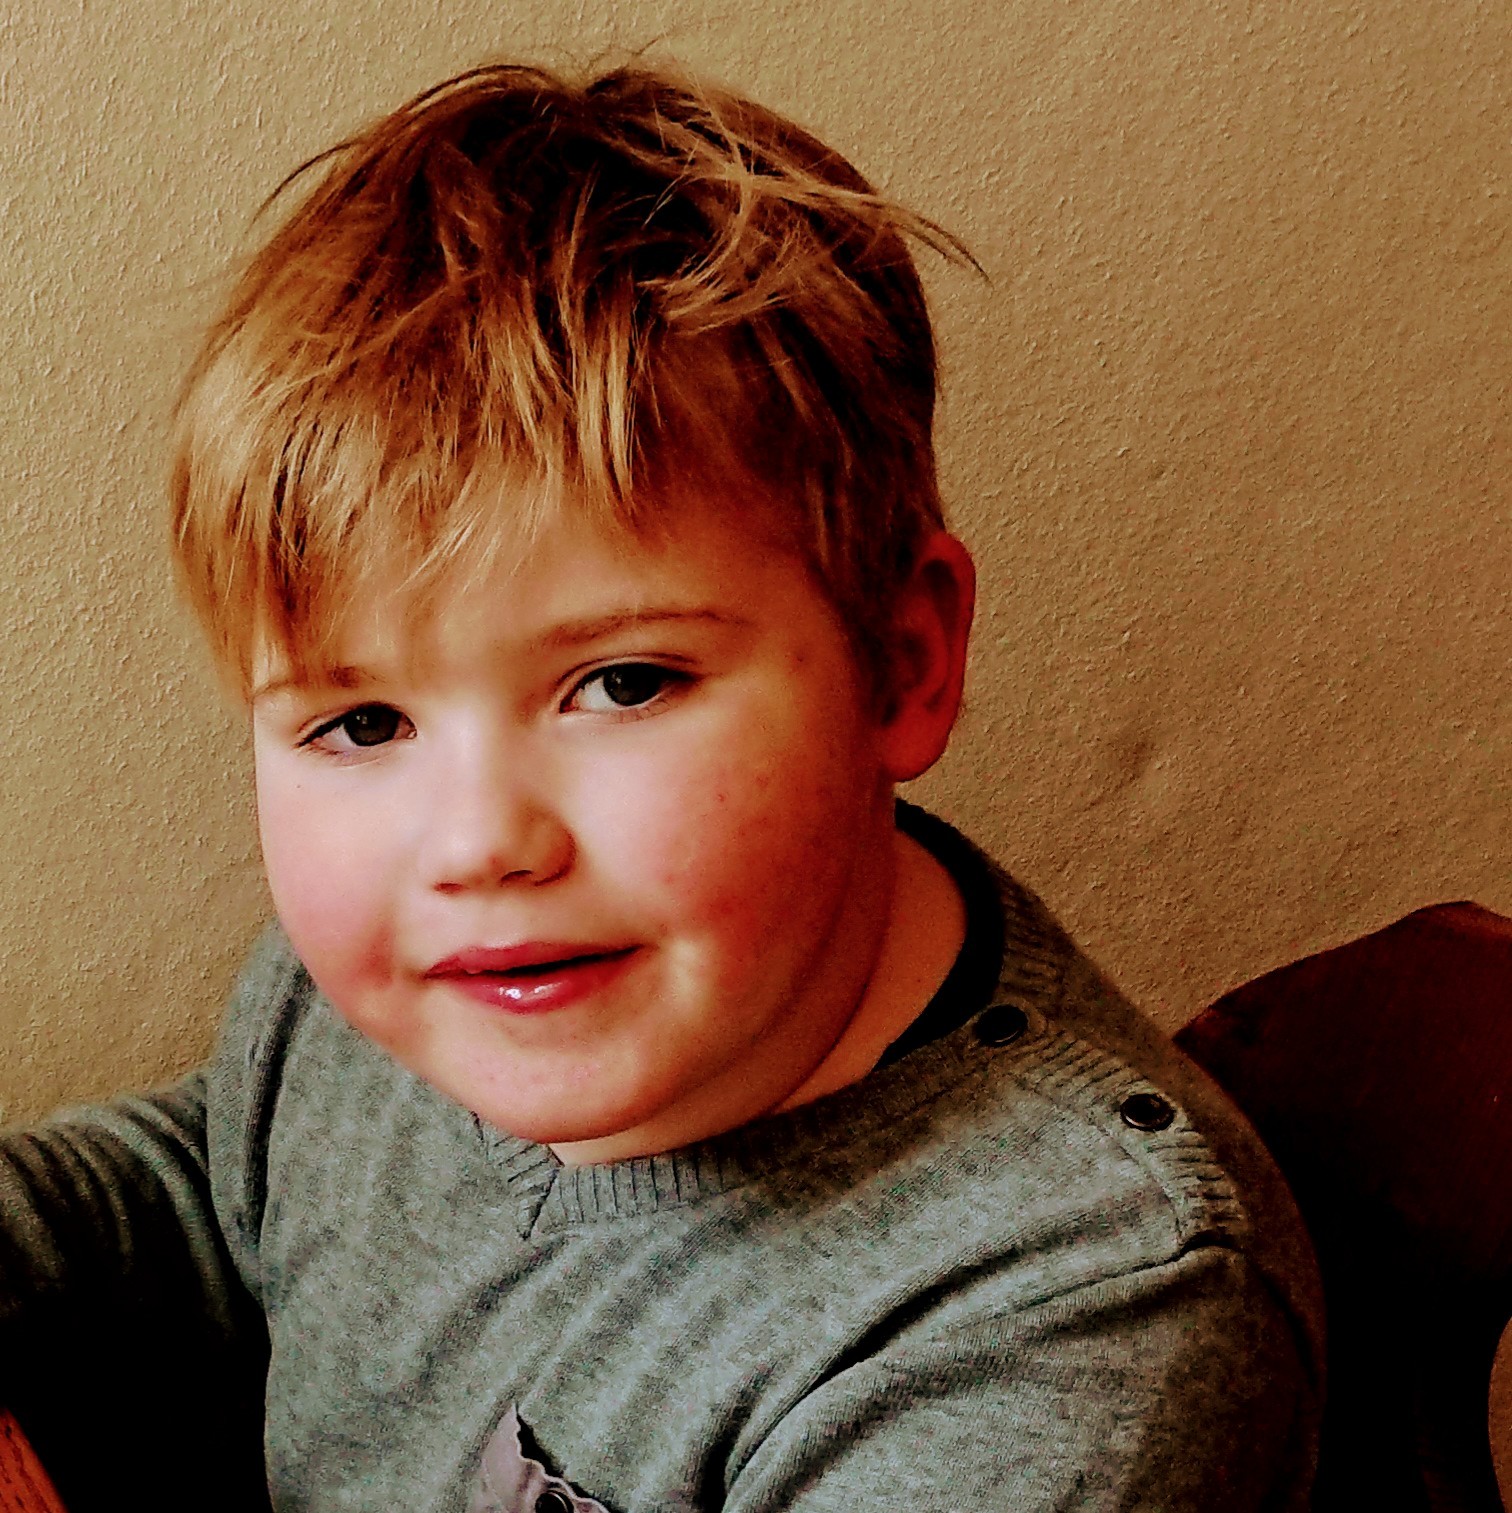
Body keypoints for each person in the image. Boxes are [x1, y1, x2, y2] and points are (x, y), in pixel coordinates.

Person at [0, 61, 1322, 1511]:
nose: (477, 840)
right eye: (363, 721)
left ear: (901, 662)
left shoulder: (1066, 1328)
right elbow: (227, 1187)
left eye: (623, 684)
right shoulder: (450, 981)